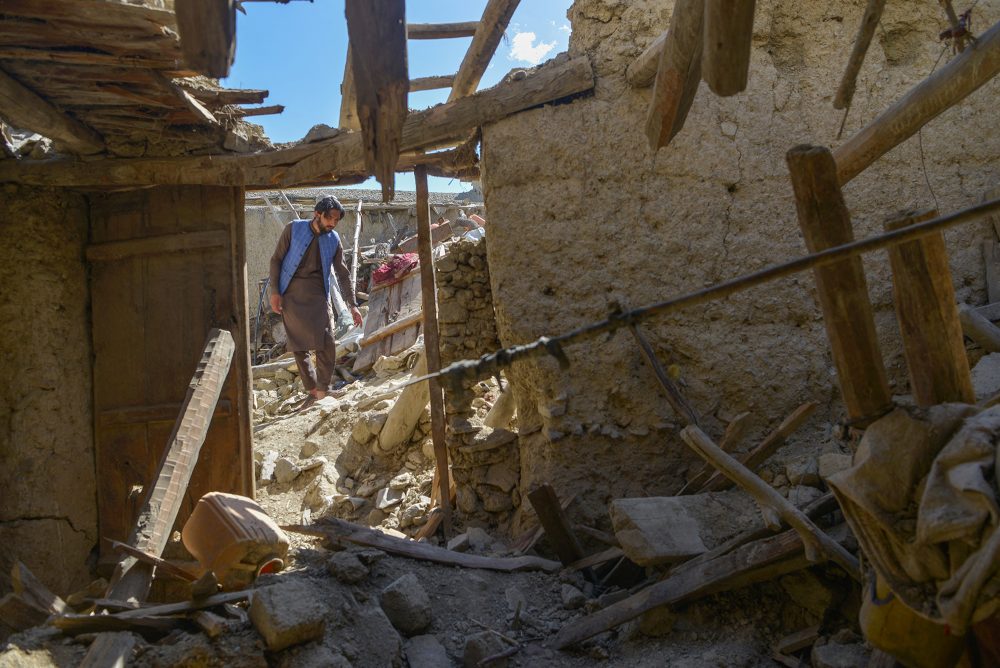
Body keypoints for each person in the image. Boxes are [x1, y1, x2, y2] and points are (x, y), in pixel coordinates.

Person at [269, 195, 363, 402]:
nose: (333, 223)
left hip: (318, 295)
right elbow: (276, 259)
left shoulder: (334, 239)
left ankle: (323, 389)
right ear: (317, 214)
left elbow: (343, 272)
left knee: (326, 342)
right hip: (290, 293)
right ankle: (312, 390)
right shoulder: (293, 229)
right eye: (330, 218)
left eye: (336, 220)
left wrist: (353, 305)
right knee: (298, 345)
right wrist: (274, 292)